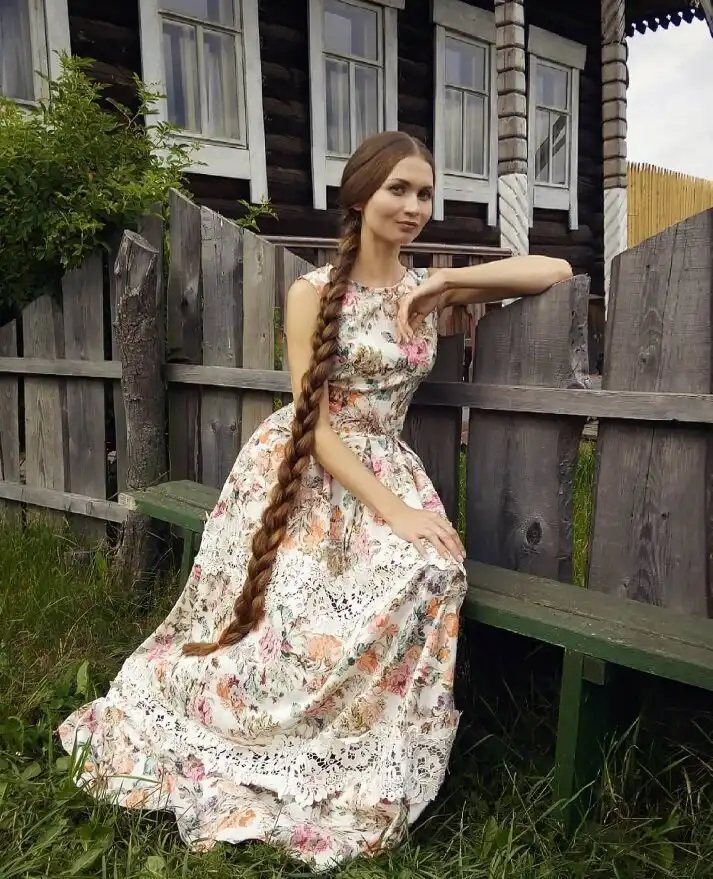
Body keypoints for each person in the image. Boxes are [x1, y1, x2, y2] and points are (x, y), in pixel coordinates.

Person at [58, 131, 572, 870]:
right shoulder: (311, 292)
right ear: (359, 196)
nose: (414, 206)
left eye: (425, 193)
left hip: (387, 461)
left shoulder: (426, 288)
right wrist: (395, 511)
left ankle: (364, 744)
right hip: (306, 466)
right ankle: (266, 732)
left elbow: (554, 269)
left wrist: (439, 286)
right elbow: (314, 421)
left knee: (431, 572)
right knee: (299, 604)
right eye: (398, 189)